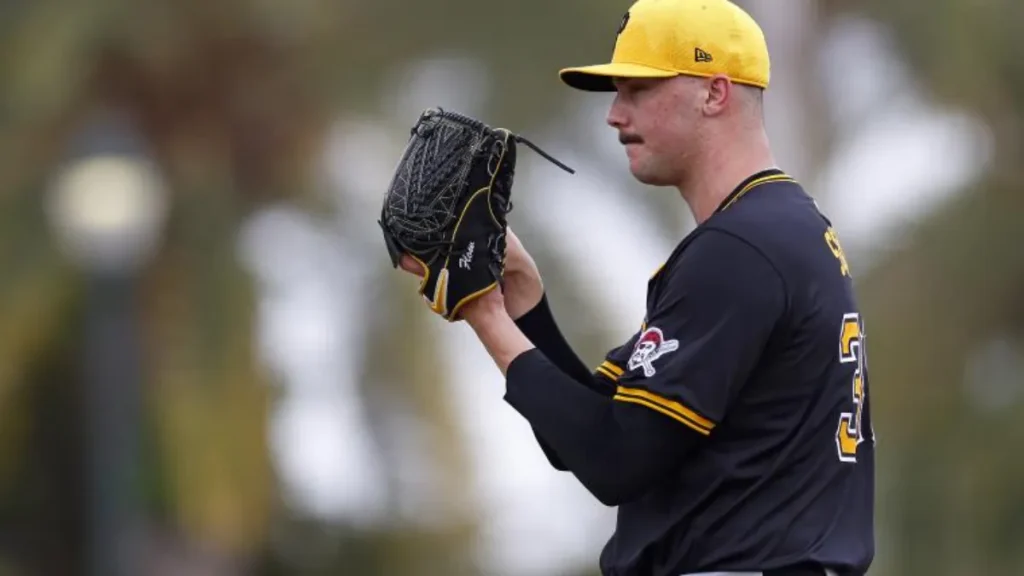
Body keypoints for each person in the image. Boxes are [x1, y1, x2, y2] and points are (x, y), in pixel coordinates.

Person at [399, 0, 874, 574]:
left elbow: (616, 461)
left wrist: (485, 316)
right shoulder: (778, 228)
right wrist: (520, 301)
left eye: (638, 90)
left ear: (715, 93)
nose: (614, 114)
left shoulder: (740, 250)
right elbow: (592, 432)